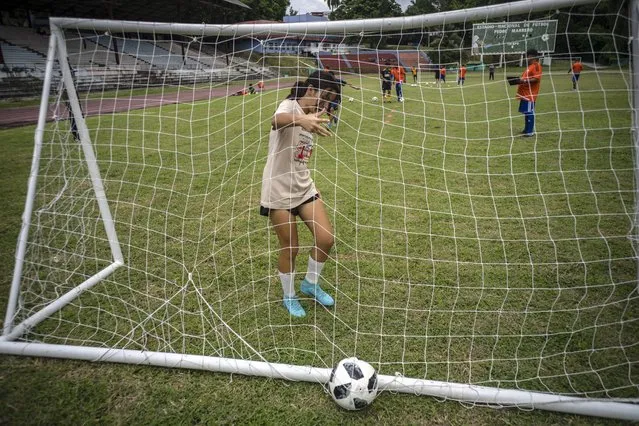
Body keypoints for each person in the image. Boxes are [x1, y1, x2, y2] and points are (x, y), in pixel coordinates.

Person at [260, 70, 341, 317]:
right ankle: (289, 296)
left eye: (330, 102)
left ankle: (310, 284)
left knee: (326, 239)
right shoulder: (290, 106)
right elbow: (276, 120)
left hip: (304, 188)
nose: (326, 106)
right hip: (278, 190)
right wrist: (300, 120)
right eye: (325, 98)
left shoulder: (311, 116)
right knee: (290, 247)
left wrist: (309, 121)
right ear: (311, 90)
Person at [515, 48, 543, 137]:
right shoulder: (530, 66)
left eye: (528, 56)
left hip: (530, 94)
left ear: (532, 56)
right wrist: (519, 80)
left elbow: (536, 79)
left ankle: (530, 131)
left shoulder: (536, 66)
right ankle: (526, 129)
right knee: (527, 112)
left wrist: (524, 81)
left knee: (530, 112)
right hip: (525, 93)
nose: (526, 58)